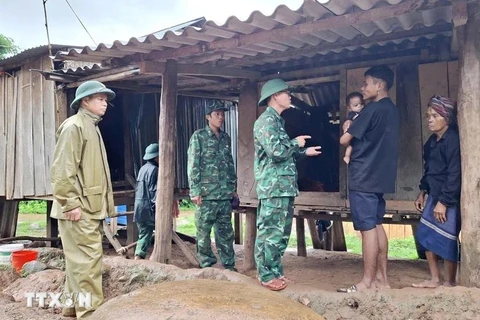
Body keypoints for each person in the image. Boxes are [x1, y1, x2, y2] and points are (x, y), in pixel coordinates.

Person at [50, 80, 115, 318]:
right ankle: (90, 313)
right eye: (100, 99)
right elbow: (62, 171)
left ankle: (71, 307)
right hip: (79, 209)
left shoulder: (91, 126)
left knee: (79, 262)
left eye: (106, 100)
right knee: (88, 263)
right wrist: (71, 204)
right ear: (84, 101)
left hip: (88, 208)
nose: (105, 103)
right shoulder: (74, 126)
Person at [254, 79, 321, 291]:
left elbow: (284, 155)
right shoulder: (266, 122)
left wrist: (303, 152)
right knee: (270, 231)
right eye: (286, 92)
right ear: (275, 96)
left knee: (281, 232)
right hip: (272, 186)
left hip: (283, 186)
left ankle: (275, 270)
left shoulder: (277, 121)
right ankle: (265, 274)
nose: (289, 96)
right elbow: (276, 152)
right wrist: (296, 143)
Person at [339, 65, 399, 292]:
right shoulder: (392, 109)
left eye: (366, 83)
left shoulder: (371, 110)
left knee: (367, 229)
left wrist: (348, 126)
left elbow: (345, 140)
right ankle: (382, 280)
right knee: (376, 224)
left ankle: (367, 282)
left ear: (379, 85)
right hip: (380, 177)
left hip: (363, 176)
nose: (362, 88)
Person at [412, 95, 461, 288]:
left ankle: (449, 282)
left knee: (447, 238)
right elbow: (429, 170)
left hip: (448, 197)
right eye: (428, 115)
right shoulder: (431, 142)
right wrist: (422, 191)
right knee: (425, 234)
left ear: (446, 117)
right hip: (434, 195)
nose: (430, 119)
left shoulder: (453, 140)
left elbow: (455, 173)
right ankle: (434, 278)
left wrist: (445, 202)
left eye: (435, 115)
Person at [187, 101, 238, 271]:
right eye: (217, 114)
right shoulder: (199, 137)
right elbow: (193, 164)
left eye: (222, 114)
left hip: (224, 194)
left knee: (226, 232)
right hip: (206, 194)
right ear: (208, 117)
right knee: (203, 232)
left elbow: (229, 164)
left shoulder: (225, 138)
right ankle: (207, 265)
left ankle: (229, 265)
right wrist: (195, 191)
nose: (221, 117)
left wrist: (233, 188)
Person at [133, 143, 159, 260]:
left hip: (139, 206)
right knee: (161, 230)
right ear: (156, 157)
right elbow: (154, 190)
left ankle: (138, 255)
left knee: (144, 233)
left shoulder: (142, 169)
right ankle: (156, 256)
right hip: (148, 207)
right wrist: (157, 206)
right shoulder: (155, 170)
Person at [343, 92, 365, 164]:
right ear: (349, 108)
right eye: (356, 105)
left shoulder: (365, 112)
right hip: (353, 135)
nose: (360, 106)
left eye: (361, 104)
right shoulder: (351, 115)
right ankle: (347, 156)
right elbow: (347, 122)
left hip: (361, 135)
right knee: (350, 145)